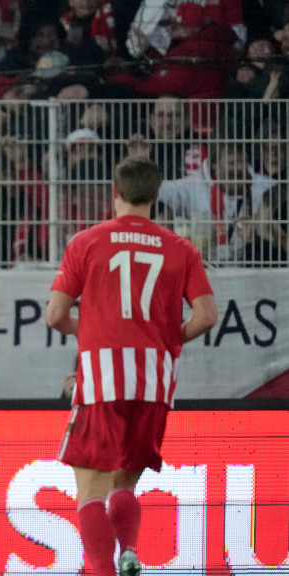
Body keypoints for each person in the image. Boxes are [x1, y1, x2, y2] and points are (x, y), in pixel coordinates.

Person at [46, 156, 218, 576]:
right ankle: (129, 551)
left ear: (115, 192)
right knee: (125, 482)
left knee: (90, 490)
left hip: (103, 379)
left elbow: (55, 315)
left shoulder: (86, 242)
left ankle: (106, 570)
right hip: (154, 381)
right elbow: (206, 316)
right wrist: (164, 340)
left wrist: (91, 330)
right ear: (156, 196)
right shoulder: (181, 249)